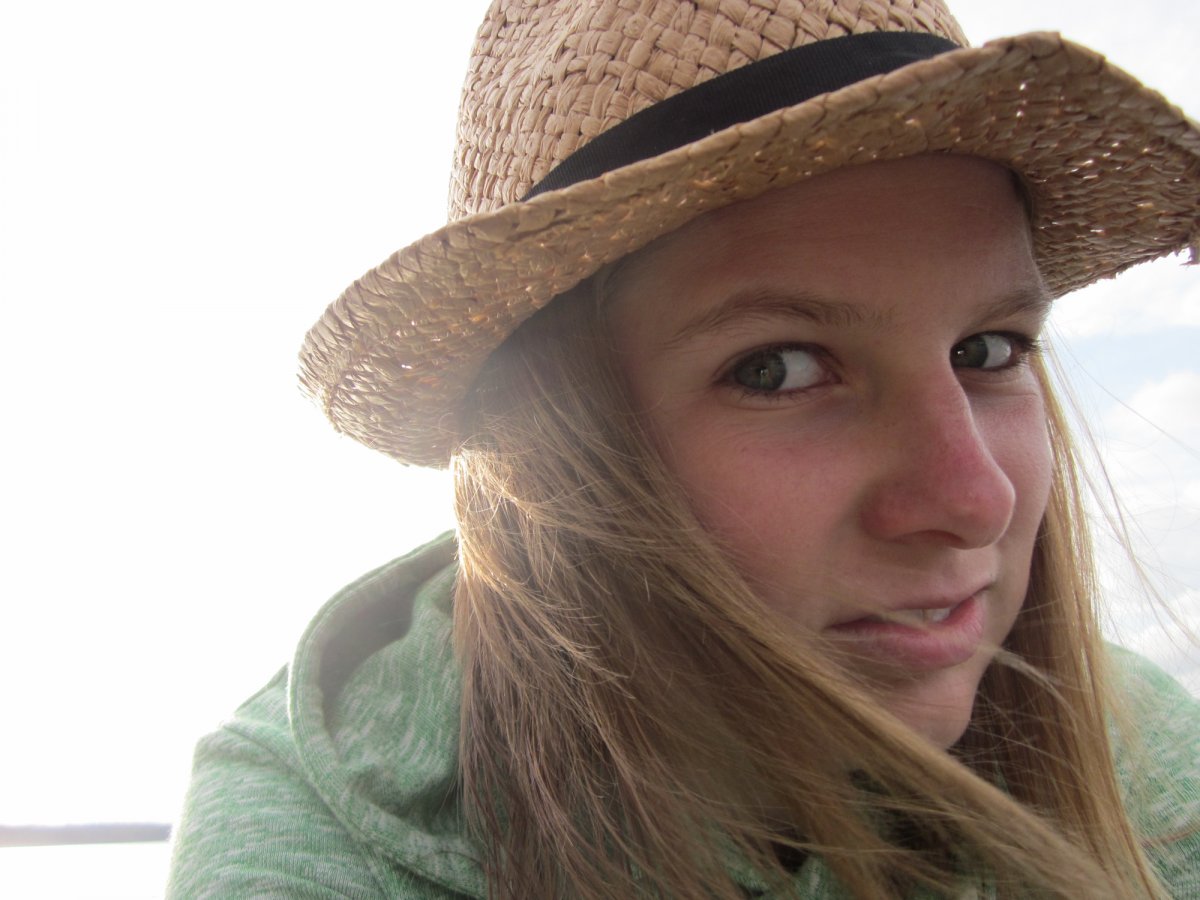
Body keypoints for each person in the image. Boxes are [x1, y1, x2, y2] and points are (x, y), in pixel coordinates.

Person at [167, 1, 1200, 897]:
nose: (974, 500)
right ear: (553, 453)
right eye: (777, 369)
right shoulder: (316, 833)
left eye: (990, 350)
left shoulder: (1135, 747)